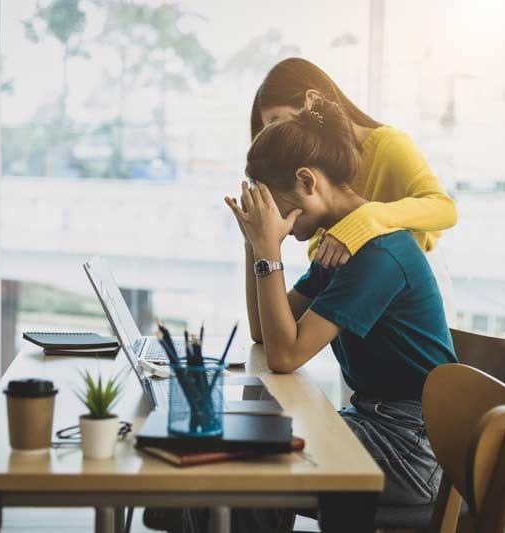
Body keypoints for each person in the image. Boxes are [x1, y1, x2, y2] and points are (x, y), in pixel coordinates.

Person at [181, 96, 458, 533]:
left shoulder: (377, 254)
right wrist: (255, 243)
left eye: (276, 207)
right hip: (377, 424)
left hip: (410, 450)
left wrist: (270, 249)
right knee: (221, 454)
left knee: (239, 469)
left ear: (307, 181)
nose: (280, 224)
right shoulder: (340, 244)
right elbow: (265, 331)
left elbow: (285, 355)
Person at [251, 57, 458, 324]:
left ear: (312, 101)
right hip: (358, 288)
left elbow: (444, 208)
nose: (277, 138)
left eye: (277, 123)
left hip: (409, 296)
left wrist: (364, 219)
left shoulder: (388, 145)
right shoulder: (319, 174)